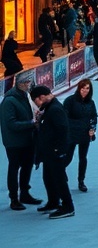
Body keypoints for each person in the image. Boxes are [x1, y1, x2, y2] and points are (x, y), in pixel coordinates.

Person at [30, 84, 75, 219]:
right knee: (49, 178)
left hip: (55, 153)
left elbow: (63, 130)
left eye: (36, 101)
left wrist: (58, 150)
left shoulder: (55, 109)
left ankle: (68, 206)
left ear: (42, 97)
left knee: (59, 179)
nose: (36, 105)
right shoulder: (49, 108)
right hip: (49, 152)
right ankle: (53, 202)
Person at [0, 73, 41, 210]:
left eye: (29, 82)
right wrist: (31, 123)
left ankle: (24, 193)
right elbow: (11, 124)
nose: (28, 84)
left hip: (26, 140)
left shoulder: (24, 96)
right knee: (14, 168)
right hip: (14, 143)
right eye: (26, 82)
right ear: (19, 83)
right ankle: (13, 198)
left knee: (27, 166)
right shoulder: (9, 101)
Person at [63, 78, 98, 192]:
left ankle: (81, 181)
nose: (85, 91)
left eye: (87, 88)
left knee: (83, 158)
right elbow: (64, 117)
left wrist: (92, 129)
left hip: (85, 134)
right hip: (72, 133)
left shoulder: (91, 103)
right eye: (83, 88)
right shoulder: (70, 101)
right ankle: (60, 171)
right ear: (78, 88)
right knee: (68, 157)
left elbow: (94, 117)